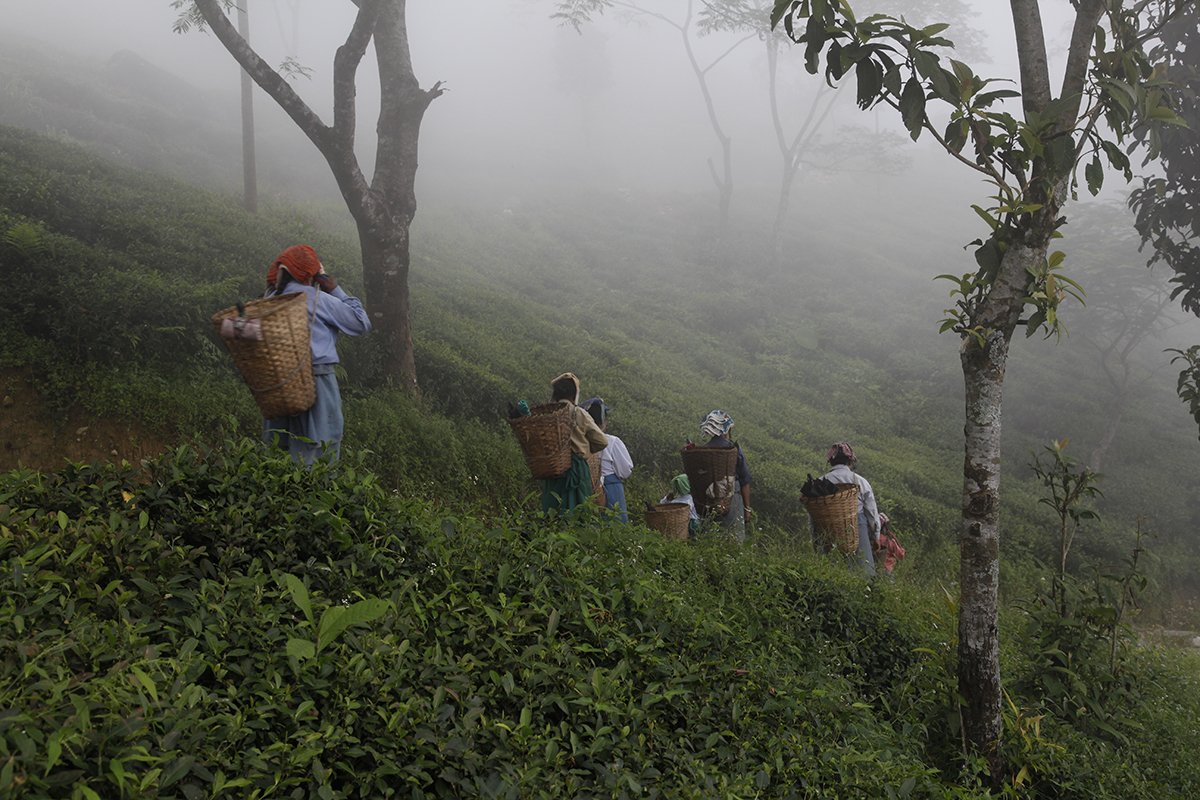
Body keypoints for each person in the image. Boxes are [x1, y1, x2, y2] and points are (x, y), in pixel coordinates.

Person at [261, 245, 371, 464]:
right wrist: (335, 289)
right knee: (319, 446)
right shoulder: (318, 299)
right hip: (316, 378)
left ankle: (275, 494)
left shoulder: (269, 300)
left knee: (276, 447)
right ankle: (311, 495)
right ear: (312, 275)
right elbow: (361, 323)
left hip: (278, 381)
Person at [541, 373, 608, 515]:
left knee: (553, 507)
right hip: (576, 468)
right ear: (575, 394)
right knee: (577, 510)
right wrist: (586, 450)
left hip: (553, 468)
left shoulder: (547, 413)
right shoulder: (578, 413)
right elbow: (602, 441)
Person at [821, 442, 880, 576]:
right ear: (850, 461)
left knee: (831, 571)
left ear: (831, 462)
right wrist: (875, 536)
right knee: (864, 572)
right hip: (857, 527)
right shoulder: (860, 481)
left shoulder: (821, 482)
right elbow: (871, 512)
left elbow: (813, 514)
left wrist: (815, 537)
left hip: (828, 528)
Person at [699, 410, 752, 542]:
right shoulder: (734, 450)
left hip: (709, 500)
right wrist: (747, 509)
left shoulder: (702, 451)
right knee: (734, 540)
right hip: (733, 498)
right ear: (726, 430)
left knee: (711, 539)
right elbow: (745, 481)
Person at [582, 398, 633, 523]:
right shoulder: (612, 442)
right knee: (615, 526)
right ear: (602, 422)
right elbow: (625, 470)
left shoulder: (580, 442)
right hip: (611, 491)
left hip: (587, 490)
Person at [876, 512, 906, 579]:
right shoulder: (888, 542)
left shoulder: (869, 538)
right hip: (886, 570)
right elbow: (901, 555)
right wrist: (895, 539)